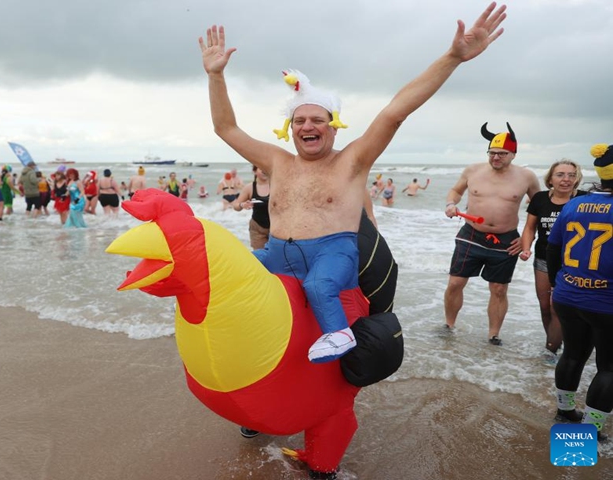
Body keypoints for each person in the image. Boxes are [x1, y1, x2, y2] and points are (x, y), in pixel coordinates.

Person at [200, 3, 505, 366]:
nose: (308, 126)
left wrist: (452, 57)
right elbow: (226, 128)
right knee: (234, 292)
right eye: (299, 120)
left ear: (333, 126)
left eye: (317, 119)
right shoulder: (276, 162)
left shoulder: (353, 161)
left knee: (318, 343)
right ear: (290, 127)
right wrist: (215, 76)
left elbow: (396, 111)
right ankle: (256, 393)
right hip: (279, 257)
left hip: (333, 267)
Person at [443, 122, 540, 345]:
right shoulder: (473, 171)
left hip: (506, 239)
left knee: (498, 289)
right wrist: (450, 203)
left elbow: (538, 209)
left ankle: (493, 334)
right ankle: (448, 325)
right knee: (456, 283)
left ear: (513, 154)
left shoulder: (527, 177)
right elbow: (456, 191)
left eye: (502, 154)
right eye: (492, 153)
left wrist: (526, 240)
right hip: (471, 235)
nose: (496, 157)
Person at [546, 143, 613, 440]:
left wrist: (556, 282)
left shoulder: (574, 203)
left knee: (573, 355)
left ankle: (564, 410)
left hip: (568, 294)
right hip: (606, 302)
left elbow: (553, 247)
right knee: (609, 368)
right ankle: (591, 430)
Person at [519, 159, 586, 366]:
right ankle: (556, 343)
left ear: (577, 179)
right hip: (543, 259)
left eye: (571, 175)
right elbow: (530, 228)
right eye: (560, 175)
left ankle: (551, 351)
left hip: (572, 263)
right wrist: (526, 247)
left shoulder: (584, 200)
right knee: (545, 307)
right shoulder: (539, 199)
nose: (566, 179)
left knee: (557, 307)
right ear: (550, 179)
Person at [233, 165, 270, 250]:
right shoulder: (249, 188)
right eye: (261, 168)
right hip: (257, 228)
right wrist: (242, 205)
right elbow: (236, 206)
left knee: (277, 256)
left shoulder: (276, 186)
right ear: (254, 171)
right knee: (259, 256)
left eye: (266, 168)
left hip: (276, 227)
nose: (264, 170)